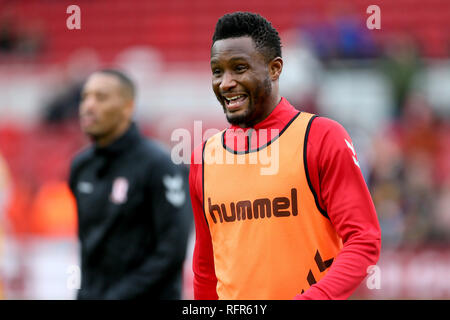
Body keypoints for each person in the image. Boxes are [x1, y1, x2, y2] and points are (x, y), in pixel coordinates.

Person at [189, 12, 381, 300]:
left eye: (239, 68)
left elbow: (364, 240)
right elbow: (206, 270)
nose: (226, 82)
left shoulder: (322, 137)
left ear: (275, 68)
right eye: (218, 71)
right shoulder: (204, 158)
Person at [69, 69, 191, 299]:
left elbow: (172, 252)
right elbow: (87, 244)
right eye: (85, 97)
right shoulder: (81, 166)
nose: (88, 106)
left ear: (128, 106)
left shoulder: (160, 165)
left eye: (101, 97)